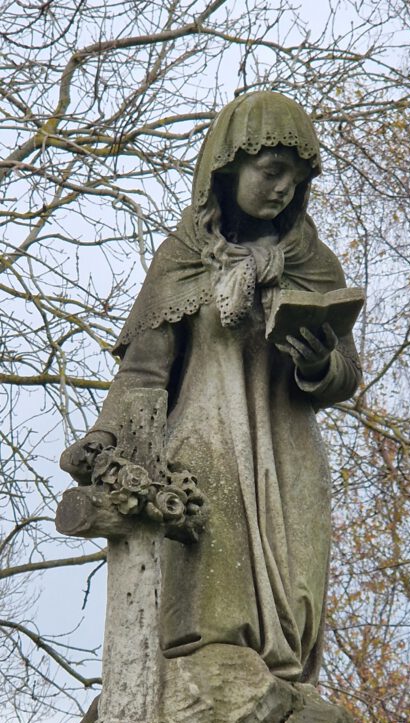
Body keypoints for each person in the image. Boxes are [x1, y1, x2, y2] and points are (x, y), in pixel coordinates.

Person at [61, 91, 362, 684]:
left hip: (289, 452)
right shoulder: (184, 258)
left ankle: (285, 714)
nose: (282, 189)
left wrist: (320, 363)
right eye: (271, 172)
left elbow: (345, 377)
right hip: (207, 449)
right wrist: (104, 437)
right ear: (227, 169)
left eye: (295, 178)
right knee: (214, 615)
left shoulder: (315, 262)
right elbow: (145, 372)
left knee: (297, 604)